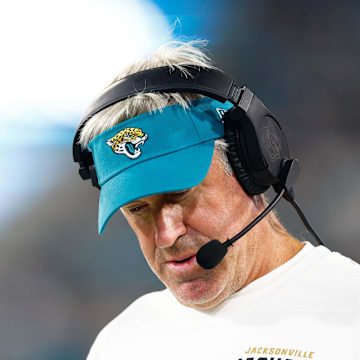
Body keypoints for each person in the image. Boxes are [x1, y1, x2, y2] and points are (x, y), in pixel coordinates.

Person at [77, 41, 360, 360]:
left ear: (249, 166)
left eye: (180, 195)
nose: (167, 235)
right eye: (138, 209)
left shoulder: (350, 313)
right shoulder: (120, 343)